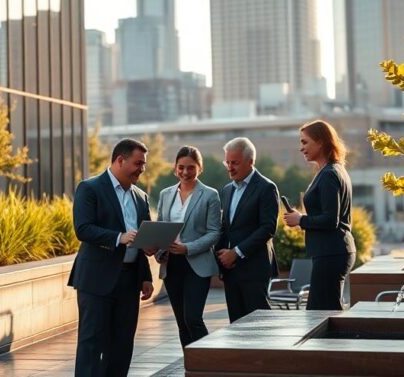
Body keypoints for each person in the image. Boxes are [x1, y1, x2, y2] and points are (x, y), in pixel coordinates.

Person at [69, 138, 155, 377]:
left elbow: (142, 237)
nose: (142, 169)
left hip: (129, 282)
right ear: (120, 160)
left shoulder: (141, 196)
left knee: (122, 345)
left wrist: (146, 275)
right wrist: (119, 237)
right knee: (91, 343)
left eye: (144, 164)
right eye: (138, 163)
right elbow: (83, 229)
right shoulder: (89, 188)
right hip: (96, 280)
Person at [282, 120, 356, 310]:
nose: (301, 148)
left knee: (321, 313)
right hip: (331, 252)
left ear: (321, 141)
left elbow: (331, 219)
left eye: (305, 142)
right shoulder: (332, 170)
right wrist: (302, 219)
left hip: (331, 253)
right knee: (325, 310)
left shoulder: (330, 173)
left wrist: (300, 220)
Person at [155, 146, 221, 347]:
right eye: (181, 167)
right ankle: (190, 367)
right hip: (172, 265)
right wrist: (160, 251)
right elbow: (159, 227)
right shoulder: (166, 194)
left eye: (191, 167)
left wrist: (188, 248)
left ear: (200, 168)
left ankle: (207, 364)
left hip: (197, 265)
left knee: (193, 318)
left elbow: (214, 232)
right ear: (175, 168)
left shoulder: (210, 195)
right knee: (182, 324)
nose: (185, 172)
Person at [215, 137, 280, 323]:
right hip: (231, 270)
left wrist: (236, 252)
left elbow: (268, 228)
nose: (229, 167)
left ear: (250, 161)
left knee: (258, 325)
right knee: (236, 324)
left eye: (234, 162)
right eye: (227, 162)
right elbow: (225, 228)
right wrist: (221, 260)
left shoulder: (267, 188)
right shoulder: (227, 190)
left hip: (254, 268)